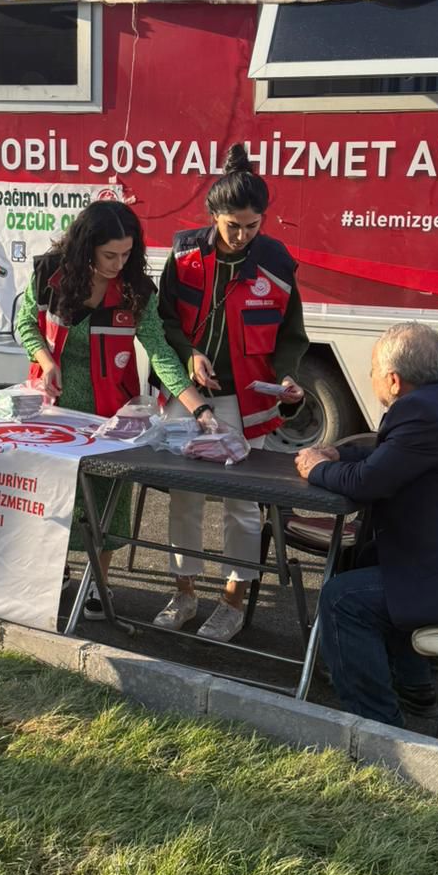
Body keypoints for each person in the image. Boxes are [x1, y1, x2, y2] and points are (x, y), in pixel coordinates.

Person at [295, 324, 438, 726]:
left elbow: (368, 482)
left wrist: (316, 467)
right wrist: (341, 451)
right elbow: (392, 455)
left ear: (392, 379)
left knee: (342, 599)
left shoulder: (420, 411)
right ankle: (414, 688)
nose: (370, 377)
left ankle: (377, 728)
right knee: (368, 563)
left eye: (372, 369)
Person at [15, 200, 217, 619]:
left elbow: (159, 349)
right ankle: (57, 573)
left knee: (106, 501)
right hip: (57, 410)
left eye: (127, 254)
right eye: (109, 255)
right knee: (55, 496)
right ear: (84, 247)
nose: (118, 263)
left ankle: (99, 583)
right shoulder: (48, 273)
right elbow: (24, 323)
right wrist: (46, 358)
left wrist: (194, 403)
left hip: (113, 417)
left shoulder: (135, 290)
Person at [156, 145, 308, 643]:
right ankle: (184, 593)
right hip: (189, 399)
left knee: (242, 505)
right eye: (232, 226)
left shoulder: (278, 261)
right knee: (185, 498)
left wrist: (286, 377)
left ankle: (233, 602)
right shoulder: (182, 255)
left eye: (252, 225)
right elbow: (162, 324)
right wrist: (190, 354)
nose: (242, 236)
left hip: (251, 402)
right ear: (213, 217)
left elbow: (291, 334)